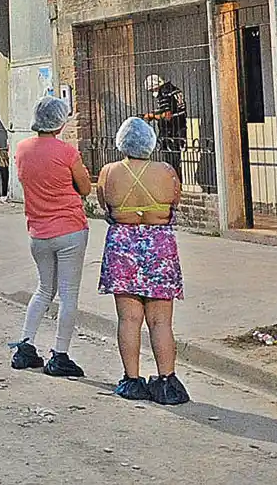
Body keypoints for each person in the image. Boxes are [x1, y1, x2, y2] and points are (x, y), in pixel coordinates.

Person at [96, 116, 188, 405]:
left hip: (123, 245)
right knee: (161, 321)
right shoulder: (167, 172)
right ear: (151, 141)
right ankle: (167, 379)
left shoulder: (109, 173)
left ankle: (132, 379)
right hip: (159, 245)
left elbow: (104, 204)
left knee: (129, 318)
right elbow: (175, 202)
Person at [10, 96, 91, 379]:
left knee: (44, 289)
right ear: (60, 122)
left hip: (38, 230)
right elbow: (84, 188)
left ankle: (25, 345)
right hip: (69, 229)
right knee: (68, 295)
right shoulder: (67, 153)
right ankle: (60, 354)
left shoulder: (21, 149)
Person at [143, 75, 187, 174]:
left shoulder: (163, 93)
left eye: (151, 90)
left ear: (154, 86)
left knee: (170, 162)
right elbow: (173, 108)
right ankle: (177, 184)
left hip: (170, 130)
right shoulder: (175, 89)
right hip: (181, 127)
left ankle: (172, 185)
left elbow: (167, 115)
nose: (152, 93)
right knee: (176, 160)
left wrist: (152, 116)